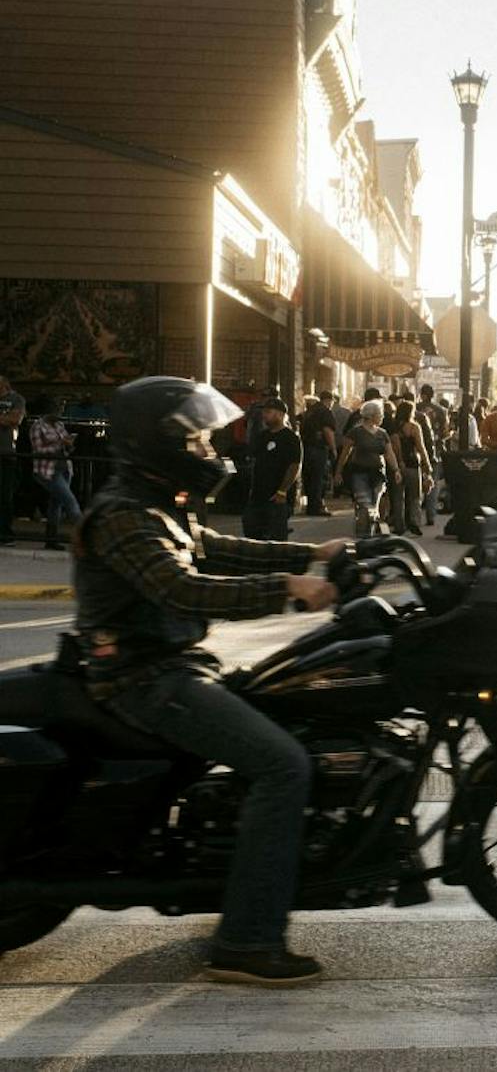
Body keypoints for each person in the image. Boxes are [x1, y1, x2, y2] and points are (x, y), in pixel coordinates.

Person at [73, 375, 346, 984]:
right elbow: (184, 587)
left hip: (175, 667)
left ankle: (237, 875)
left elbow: (213, 547)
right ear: (157, 442)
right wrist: (288, 589)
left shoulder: (152, 502)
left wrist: (310, 555)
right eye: (194, 440)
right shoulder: (121, 515)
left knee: (292, 706)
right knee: (283, 765)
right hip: (145, 680)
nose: (204, 450)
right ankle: (246, 940)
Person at [333, 401, 401, 537]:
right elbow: (345, 453)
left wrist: (396, 469)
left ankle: (371, 532)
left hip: (378, 473)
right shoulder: (356, 432)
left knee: (375, 505)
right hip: (360, 473)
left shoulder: (383, 433)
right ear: (372, 415)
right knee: (364, 504)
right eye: (379, 415)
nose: (381, 417)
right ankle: (363, 534)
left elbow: (389, 453)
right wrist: (338, 472)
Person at [243, 398, 302, 541]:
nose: (264, 415)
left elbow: (295, 466)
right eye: (264, 412)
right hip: (258, 494)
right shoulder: (262, 436)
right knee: (251, 530)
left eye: (268, 412)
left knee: (276, 536)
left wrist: (282, 491)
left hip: (277, 496)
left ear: (280, 415)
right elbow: (255, 459)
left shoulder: (291, 438)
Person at [29, 395, 80, 551]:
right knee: (70, 502)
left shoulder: (59, 425)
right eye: (57, 409)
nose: (60, 412)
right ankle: (87, 538)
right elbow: (39, 450)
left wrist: (69, 444)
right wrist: (59, 444)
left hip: (63, 468)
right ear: (48, 411)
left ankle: (51, 539)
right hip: (47, 470)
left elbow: (67, 448)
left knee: (56, 505)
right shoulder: (38, 426)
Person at [388, 399, 431, 537]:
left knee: (398, 496)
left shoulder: (392, 427)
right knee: (415, 496)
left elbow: (392, 447)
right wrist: (427, 464)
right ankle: (414, 523)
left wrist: (399, 461)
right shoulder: (414, 427)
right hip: (413, 464)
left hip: (396, 466)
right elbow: (420, 447)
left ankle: (399, 525)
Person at [299, 393, 337, 517]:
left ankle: (311, 506)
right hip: (319, 448)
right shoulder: (325, 412)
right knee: (319, 478)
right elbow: (327, 430)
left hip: (306, 448)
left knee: (309, 478)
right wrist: (333, 448)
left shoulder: (310, 411)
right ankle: (317, 506)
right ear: (329, 401)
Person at [0, 373, 26, 545]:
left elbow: (15, 419)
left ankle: (4, 533)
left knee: (4, 495)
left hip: (5, 452)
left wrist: (7, 419)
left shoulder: (16, 399)